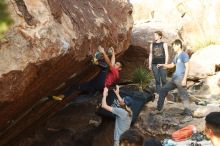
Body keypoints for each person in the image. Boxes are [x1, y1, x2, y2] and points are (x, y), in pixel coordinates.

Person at [52, 46, 124, 100]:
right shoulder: (114, 71)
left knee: (106, 67)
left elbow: (110, 64)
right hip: (96, 85)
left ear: (120, 69)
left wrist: (103, 52)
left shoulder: (116, 72)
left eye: (117, 65)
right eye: (116, 63)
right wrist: (113, 52)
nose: (115, 65)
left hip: (102, 83)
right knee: (75, 86)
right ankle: (62, 96)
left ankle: (96, 61)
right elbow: (112, 62)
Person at [156, 39, 191, 116]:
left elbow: (187, 67)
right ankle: (159, 109)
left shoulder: (184, 55)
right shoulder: (177, 55)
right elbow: (172, 65)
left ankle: (188, 114)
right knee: (163, 90)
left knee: (184, 96)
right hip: (174, 79)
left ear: (179, 45)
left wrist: (185, 79)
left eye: (174, 46)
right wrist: (162, 65)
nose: (173, 48)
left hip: (180, 79)